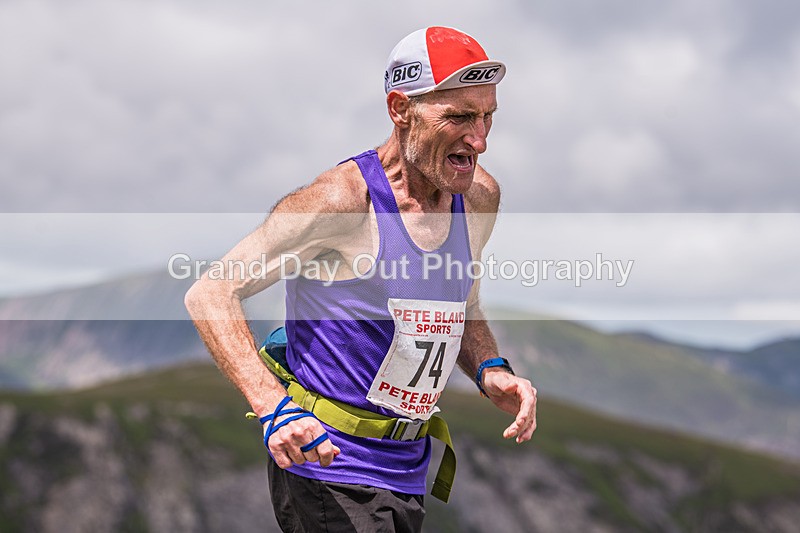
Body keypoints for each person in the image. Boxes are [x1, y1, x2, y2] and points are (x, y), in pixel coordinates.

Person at [185, 26, 537, 532]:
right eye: (458, 117)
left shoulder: (478, 198)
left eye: (487, 117)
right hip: (328, 464)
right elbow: (211, 293)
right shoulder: (342, 203)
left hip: (407, 467)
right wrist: (273, 410)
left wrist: (490, 369)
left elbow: (459, 301)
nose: (479, 140)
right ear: (401, 110)